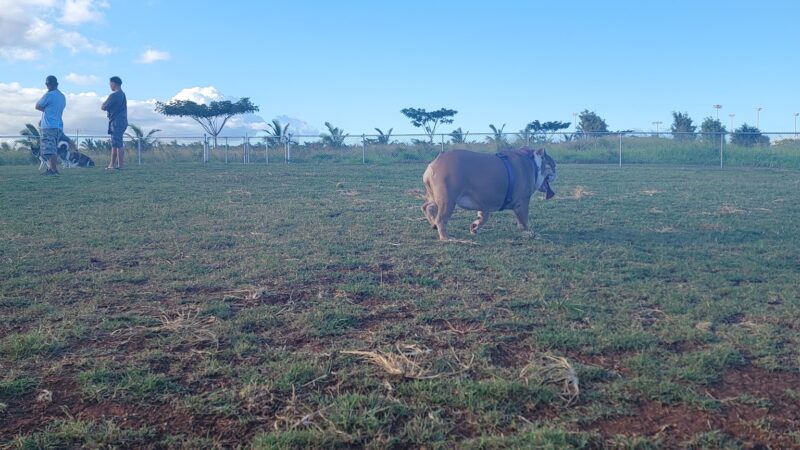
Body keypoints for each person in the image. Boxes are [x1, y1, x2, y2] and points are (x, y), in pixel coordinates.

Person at [34, 75, 66, 176]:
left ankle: (52, 170)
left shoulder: (49, 95)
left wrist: (46, 110)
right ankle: (52, 169)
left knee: (48, 150)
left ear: (48, 84)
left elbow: (38, 106)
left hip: (48, 126)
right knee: (53, 148)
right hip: (58, 125)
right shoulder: (62, 96)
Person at [101, 76, 128, 170]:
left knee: (118, 143)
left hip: (117, 122)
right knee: (115, 143)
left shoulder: (114, 95)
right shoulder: (123, 94)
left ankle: (120, 165)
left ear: (114, 83)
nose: (109, 86)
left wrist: (104, 105)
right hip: (122, 121)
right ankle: (112, 164)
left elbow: (103, 106)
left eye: (110, 84)